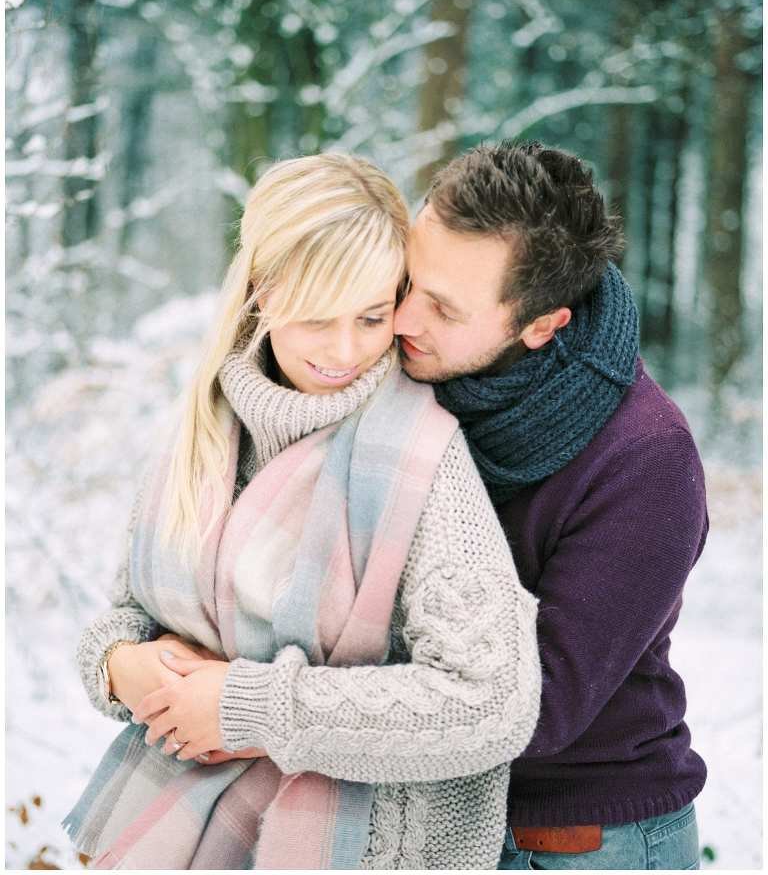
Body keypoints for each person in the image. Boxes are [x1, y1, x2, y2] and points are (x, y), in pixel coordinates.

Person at [63, 152, 541, 870]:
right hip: (181, 830)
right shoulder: (205, 431)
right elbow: (130, 613)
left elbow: (489, 702)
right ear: (262, 291)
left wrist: (252, 708)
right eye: (316, 317)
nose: (345, 350)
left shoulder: (419, 458)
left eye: (372, 316)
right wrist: (115, 663)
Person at [392, 140, 708, 871]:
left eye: (441, 307)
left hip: (578, 841)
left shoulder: (645, 458)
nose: (401, 318)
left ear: (541, 325)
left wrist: (264, 704)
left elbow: (536, 705)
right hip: (426, 820)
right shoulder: (413, 372)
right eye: (408, 279)